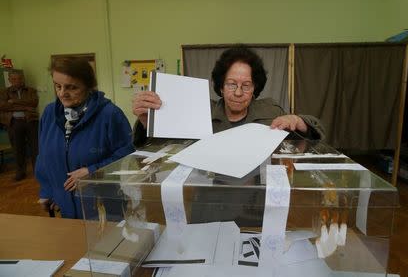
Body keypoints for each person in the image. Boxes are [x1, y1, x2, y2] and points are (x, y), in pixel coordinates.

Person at [132, 45, 324, 147]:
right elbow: (164, 148)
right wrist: (147, 122)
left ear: (254, 89)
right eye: (232, 84)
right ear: (221, 87)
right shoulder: (199, 110)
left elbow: (311, 141)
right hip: (208, 196)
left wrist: (298, 120)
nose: (239, 92)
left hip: (256, 198)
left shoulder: (270, 110)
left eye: (246, 85)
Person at [35, 58, 135, 219]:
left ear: (89, 86)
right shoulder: (49, 113)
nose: (62, 93)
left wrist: (92, 171)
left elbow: (128, 156)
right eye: (57, 86)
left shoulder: (110, 115)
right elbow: (43, 157)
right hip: (65, 205)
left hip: (103, 206)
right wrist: (47, 191)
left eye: (71, 87)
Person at [0, 70, 39, 181]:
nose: (18, 81)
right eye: (14, 79)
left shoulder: (31, 90)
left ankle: (38, 171)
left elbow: (33, 104)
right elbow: (2, 106)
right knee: (17, 149)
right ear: (10, 80)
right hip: (14, 122)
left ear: (23, 78)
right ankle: (20, 172)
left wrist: (13, 102)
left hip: (31, 121)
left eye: (20, 78)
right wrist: (24, 105)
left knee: (35, 148)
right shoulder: (4, 92)